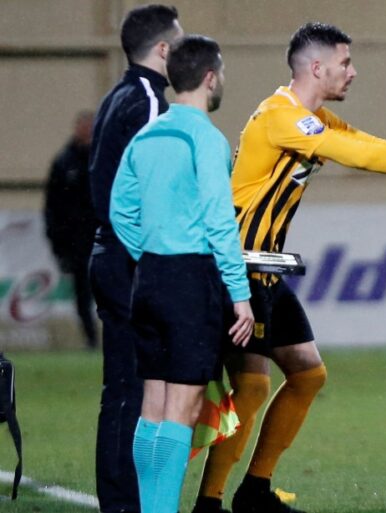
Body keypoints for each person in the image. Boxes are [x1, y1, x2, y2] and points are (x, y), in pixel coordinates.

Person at [191, 22, 386, 513]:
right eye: (345, 63)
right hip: (237, 270)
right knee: (253, 386)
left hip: (267, 270)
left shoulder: (314, 118)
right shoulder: (280, 115)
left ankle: (255, 491)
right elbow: (356, 153)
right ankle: (209, 502)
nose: (352, 71)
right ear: (316, 67)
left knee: (307, 374)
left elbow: (365, 141)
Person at [110, 34, 254, 513]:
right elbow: (219, 219)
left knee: (153, 405)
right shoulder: (206, 139)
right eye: (222, 73)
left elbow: (120, 210)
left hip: (149, 278)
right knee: (183, 409)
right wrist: (239, 294)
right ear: (210, 78)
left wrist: (154, 249)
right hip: (191, 281)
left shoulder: (147, 136)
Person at [88, 5, 183, 512]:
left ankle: (120, 497)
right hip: (129, 259)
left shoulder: (116, 96)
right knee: (136, 386)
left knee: (122, 387)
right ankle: (124, 502)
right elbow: (149, 189)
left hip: (109, 253)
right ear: (163, 49)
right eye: (180, 43)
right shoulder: (147, 101)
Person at [44, 110, 97, 349]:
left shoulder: (104, 158)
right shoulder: (64, 162)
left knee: (110, 292)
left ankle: (117, 339)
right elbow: (52, 207)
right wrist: (58, 243)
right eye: (84, 126)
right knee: (82, 294)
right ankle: (91, 339)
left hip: (102, 240)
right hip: (76, 243)